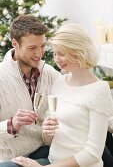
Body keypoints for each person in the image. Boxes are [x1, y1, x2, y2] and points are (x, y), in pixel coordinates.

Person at [11, 23, 113, 167]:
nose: (56, 59)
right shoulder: (60, 82)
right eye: (55, 53)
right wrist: (47, 131)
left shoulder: (99, 90)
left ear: (78, 52)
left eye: (61, 54)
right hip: (52, 161)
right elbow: (49, 140)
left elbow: (92, 153)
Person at [0, 14, 60, 166]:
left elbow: (81, 97)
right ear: (15, 43)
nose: (39, 54)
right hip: (11, 157)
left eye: (42, 46)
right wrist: (11, 124)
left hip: (44, 149)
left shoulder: (49, 73)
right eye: (32, 48)